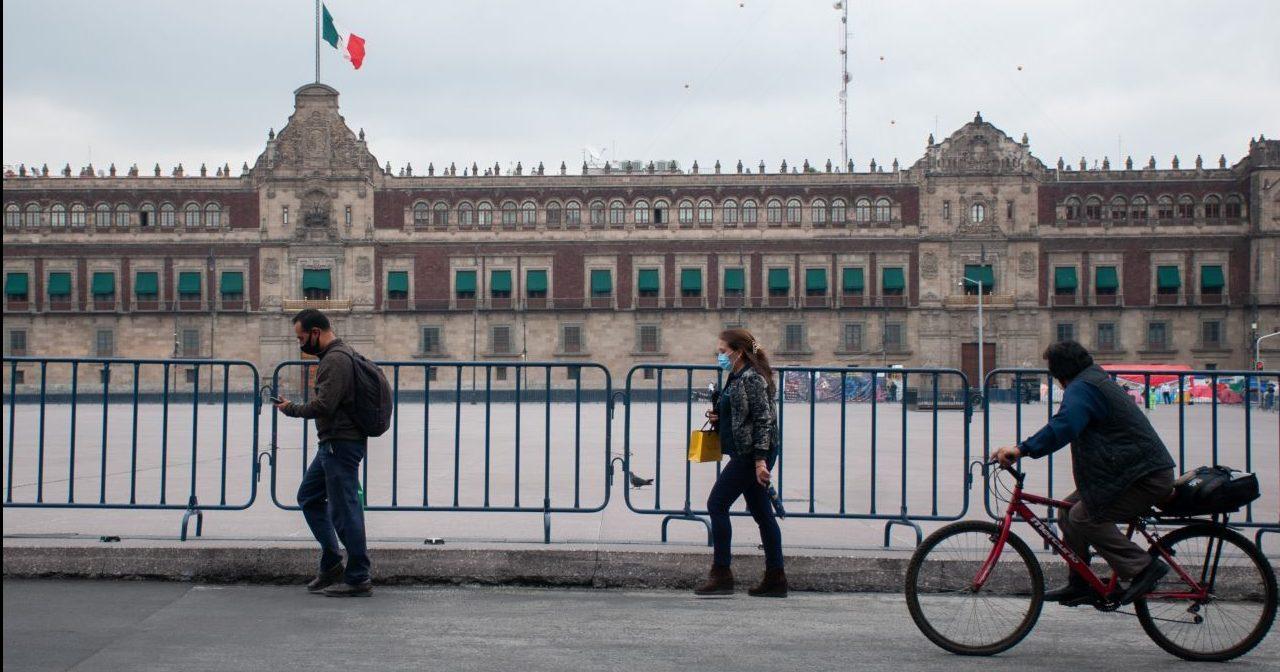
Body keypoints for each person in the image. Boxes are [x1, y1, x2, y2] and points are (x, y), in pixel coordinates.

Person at [993, 341, 1176, 606]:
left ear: (1060, 372)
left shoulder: (1084, 387)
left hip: (1142, 477)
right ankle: (1081, 583)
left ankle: (1143, 567)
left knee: (1083, 517)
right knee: (1068, 510)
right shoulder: (1091, 380)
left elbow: (1065, 425)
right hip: (1126, 474)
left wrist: (1021, 450)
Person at [274, 309, 373, 597]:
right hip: (334, 442)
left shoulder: (335, 360)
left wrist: (290, 409)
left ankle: (358, 577)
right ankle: (332, 563)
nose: (300, 344)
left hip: (340, 443)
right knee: (309, 496)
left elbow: (324, 406)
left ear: (316, 333)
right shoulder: (340, 355)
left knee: (345, 510)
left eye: (301, 337)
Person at [694, 328, 786, 598]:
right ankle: (775, 577)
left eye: (723, 351)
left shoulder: (752, 378)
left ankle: (722, 573)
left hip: (752, 455)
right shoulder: (736, 376)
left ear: (740, 351)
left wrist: (759, 461)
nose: (719, 356)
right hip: (747, 452)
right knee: (762, 514)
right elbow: (742, 416)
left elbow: (763, 420)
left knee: (717, 504)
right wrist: (719, 418)